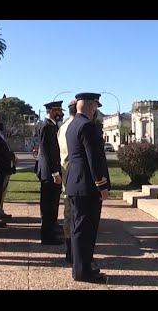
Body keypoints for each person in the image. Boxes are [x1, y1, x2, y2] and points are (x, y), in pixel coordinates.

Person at [66, 92, 110, 284]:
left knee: (78, 229)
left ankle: (79, 267)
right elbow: (94, 159)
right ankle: (83, 271)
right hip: (87, 185)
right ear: (91, 106)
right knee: (86, 230)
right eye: (95, 107)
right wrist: (102, 185)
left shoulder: (72, 124)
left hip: (75, 183)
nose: (96, 111)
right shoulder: (87, 126)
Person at [37, 100, 64, 245]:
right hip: (49, 172)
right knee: (48, 205)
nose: (61, 114)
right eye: (59, 111)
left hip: (51, 171)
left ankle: (51, 229)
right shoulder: (46, 127)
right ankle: (47, 236)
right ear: (52, 111)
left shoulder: (52, 126)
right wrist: (54, 172)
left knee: (53, 204)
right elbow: (47, 152)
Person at [57, 99, 77, 263]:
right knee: (75, 212)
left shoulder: (62, 127)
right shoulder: (76, 126)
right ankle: (73, 249)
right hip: (75, 172)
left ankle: (69, 247)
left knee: (68, 211)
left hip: (65, 171)